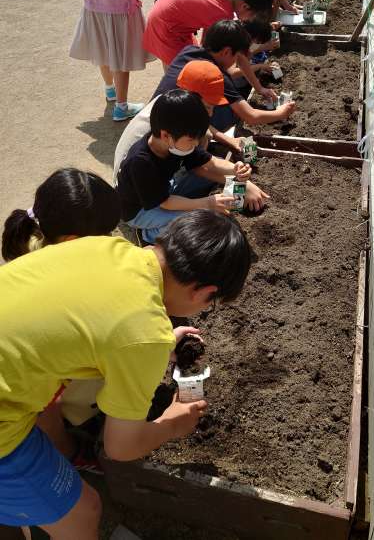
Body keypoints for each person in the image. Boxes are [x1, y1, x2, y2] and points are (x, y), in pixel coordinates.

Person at [0, 210, 251, 537]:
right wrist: (172, 423)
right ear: (203, 292)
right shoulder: (144, 335)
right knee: (84, 511)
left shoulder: (108, 247)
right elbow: (120, 448)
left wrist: (152, 346)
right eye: (210, 303)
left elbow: (90, 322)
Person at [1, 169, 122, 476]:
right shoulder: (50, 285)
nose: (111, 240)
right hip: (25, 395)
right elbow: (43, 404)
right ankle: (68, 449)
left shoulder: (41, 238)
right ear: (73, 240)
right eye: (106, 234)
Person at [116, 90, 268, 243]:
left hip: (163, 190)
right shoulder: (141, 162)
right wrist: (207, 203)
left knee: (206, 176)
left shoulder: (175, 143)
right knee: (195, 225)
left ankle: (212, 203)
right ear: (166, 136)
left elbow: (211, 163)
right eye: (191, 140)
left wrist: (235, 170)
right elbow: (166, 202)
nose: (196, 143)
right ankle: (148, 234)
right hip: (141, 210)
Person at [149, 19, 296, 133]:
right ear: (226, 52)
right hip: (169, 130)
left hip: (152, 113)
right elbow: (251, 116)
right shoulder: (214, 75)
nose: (236, 62)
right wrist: (280, 113)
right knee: (230, 113)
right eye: (235, 57)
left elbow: (241, 60)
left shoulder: (190, 50)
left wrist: (259, 88)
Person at [142, 0, 273, 68]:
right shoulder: (222, 13)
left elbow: (208, 28)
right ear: (245, 6)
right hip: (165, 25)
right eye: (253, 16)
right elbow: (238, 56)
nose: (250, 20)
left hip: (169, 11)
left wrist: (203, 50)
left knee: (191, 64)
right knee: (184, 71)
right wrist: (259, 87)